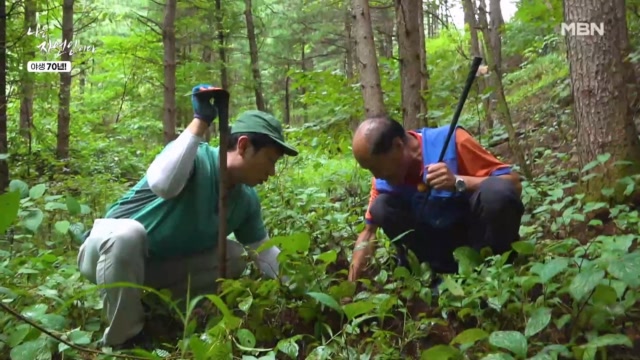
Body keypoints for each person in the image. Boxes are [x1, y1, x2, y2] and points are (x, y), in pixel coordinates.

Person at [77, 84, 298, 349]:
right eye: (271, 160)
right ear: (243, 145)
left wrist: (299, 292)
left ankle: (163, 311)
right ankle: (125, 340)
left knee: (237, 255)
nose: (272, 172)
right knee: (128, 235)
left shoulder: (246, 200)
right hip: (105, 253)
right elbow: (162, 183)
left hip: (156, 268)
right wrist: (201, 121)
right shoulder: (194, 159)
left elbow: (264, 255)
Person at [348, 116, 524, 285]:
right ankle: (432, 277)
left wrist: (457, 182)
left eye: (376, 167)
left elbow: (512, 185)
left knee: (496, 193)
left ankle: (496, 270)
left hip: (476, 236)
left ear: (398, 145)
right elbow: (369, 233)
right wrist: (351, 286)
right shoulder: (382, 181)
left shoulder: (452, 142)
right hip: (435, 249)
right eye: (370, 169)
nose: (377, 175)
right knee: (382, 207)